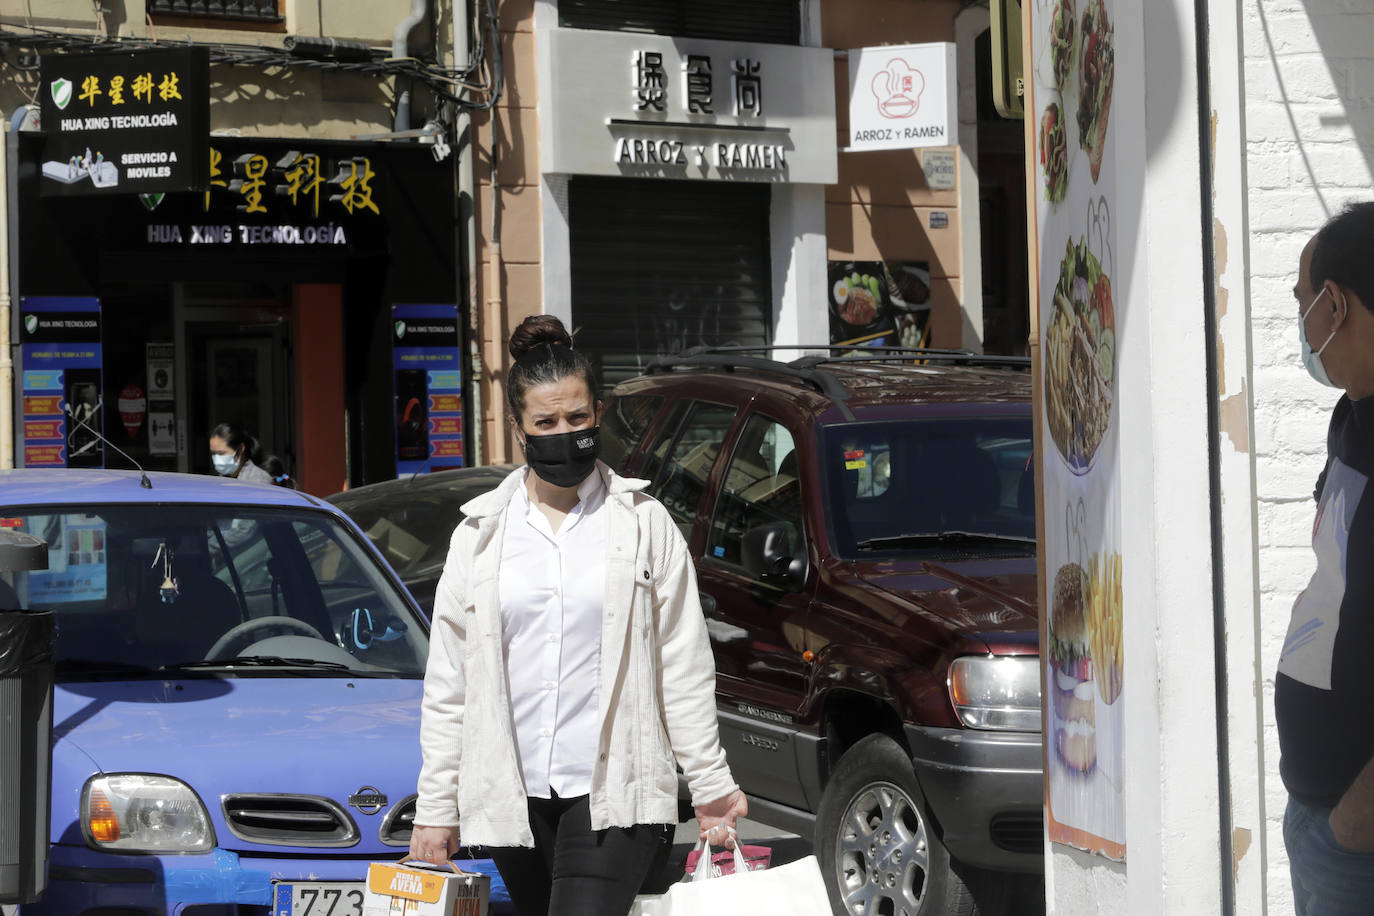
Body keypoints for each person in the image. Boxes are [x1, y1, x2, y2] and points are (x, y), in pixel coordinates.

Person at [409, 315, 747, 916]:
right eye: (545, 422)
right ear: (518, 429)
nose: (564, 433)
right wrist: (437, 808)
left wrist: (712, 782)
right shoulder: (481, 534)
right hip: (515, 797)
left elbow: (684, 665)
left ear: (597, 415)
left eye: (577, 418)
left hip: (617, 791)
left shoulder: (644, 525)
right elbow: (449, 685)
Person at [1276, 200, 1374, 915]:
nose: (1303, 328)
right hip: (1323, 812)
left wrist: (1352, 826)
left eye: (1303, 304)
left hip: (1356, 837)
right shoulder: (1354, 417)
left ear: (1335, 304)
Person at [208, 422, 274, 486]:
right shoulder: (220, 478)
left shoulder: (258, 480)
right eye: (213, 453)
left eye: (221, 453)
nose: (216, 458)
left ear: (240, 449)